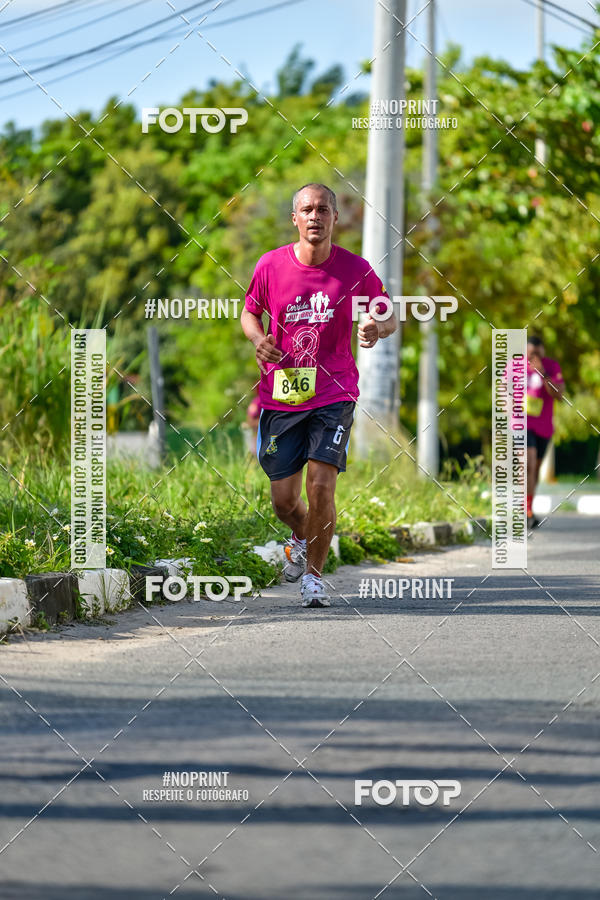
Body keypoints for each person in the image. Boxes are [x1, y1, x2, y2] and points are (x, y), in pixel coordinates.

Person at [241, 183, 397, 607]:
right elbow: (249, 311)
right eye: (307, 209)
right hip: (283, 395)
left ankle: (314, 578)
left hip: (334, 390)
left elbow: (388, 316)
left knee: (321, 486)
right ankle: (300, 535)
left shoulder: (355, 269)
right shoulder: (271, 265)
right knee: (284, 501)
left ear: (334, 218)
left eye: (323, 209)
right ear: (295, 218)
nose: (315, 216)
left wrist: (374, 327)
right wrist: (258, 340)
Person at [526, 335, 564, 528]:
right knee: (528, 463)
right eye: (532, 354)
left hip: (544, 428)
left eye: (539, 354)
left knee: (535, 469)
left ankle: (528, 508)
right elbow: (503, 391)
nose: (535, 358)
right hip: (521, 425)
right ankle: (525, 510)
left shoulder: (551, 367)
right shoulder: (515, 367)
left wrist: (543, 374)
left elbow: (559, 395)